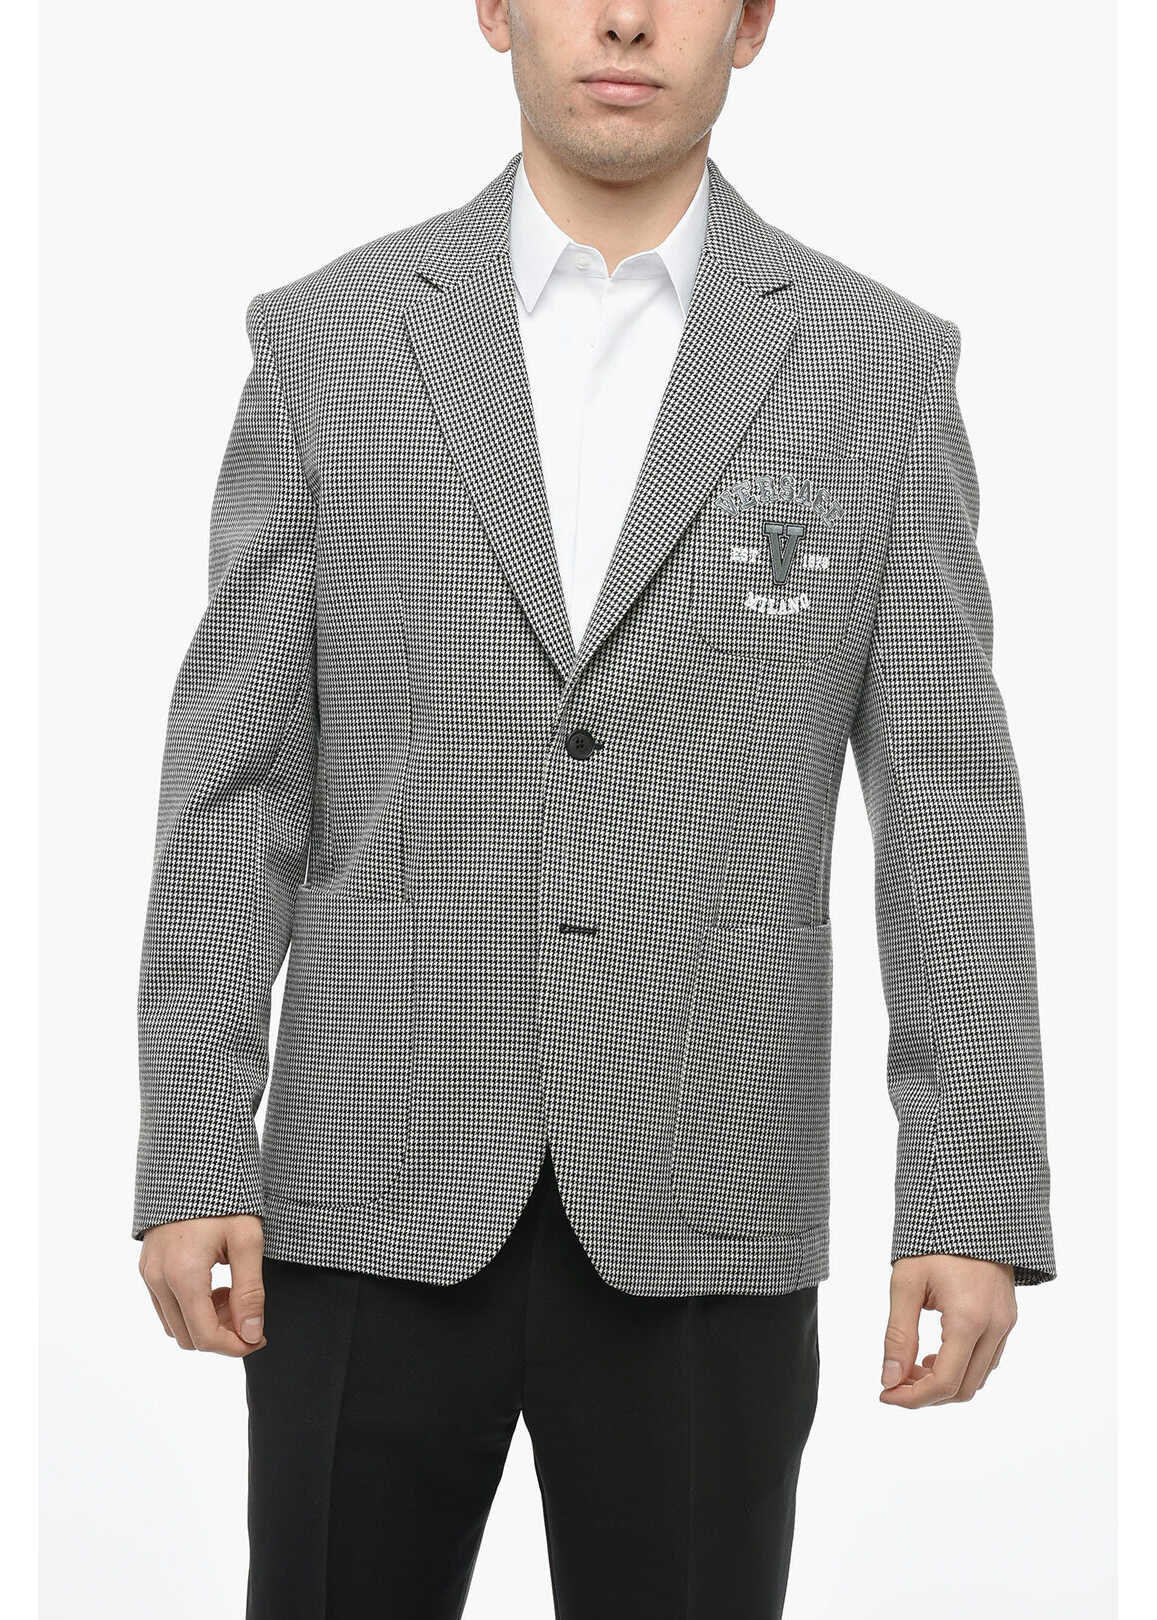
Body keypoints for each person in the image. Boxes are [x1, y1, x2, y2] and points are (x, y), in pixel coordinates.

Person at [131, 3, 1056, 1616]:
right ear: (493, 8)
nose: (624, 17)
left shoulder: (879, 370)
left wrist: (967, 1192)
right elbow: (236, 785)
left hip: (707, 1190)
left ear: (751, 24)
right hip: (367, 1185)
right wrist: (196, 1141)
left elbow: (946, 807)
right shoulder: (330, 342)